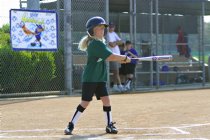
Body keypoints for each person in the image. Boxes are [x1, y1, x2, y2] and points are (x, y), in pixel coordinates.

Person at [64, 16, 131, 135]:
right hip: (90, 78)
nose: (103, 30)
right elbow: (110, 57)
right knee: (85, 102)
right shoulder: (95, 44)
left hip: (100, 78)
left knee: (106, 100)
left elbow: (111, 56)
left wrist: (123, 59)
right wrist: (124, 58)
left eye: (103, 28)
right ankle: (71, 124)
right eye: (100, 27)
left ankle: (109, 125)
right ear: (92, 30)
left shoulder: (101, 43)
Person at [107, 22, 125, 92]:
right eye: (110, 26)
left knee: (116, 72)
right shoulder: (107, 34)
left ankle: (115, 86)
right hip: (112, 55)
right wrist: (116, 42)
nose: (112, 28)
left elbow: (121, 42)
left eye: (113, 27)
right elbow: (111, 45)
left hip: (118, 55)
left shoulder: (114, 33)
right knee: (116, 71)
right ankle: (120, 85)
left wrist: (116, 42)